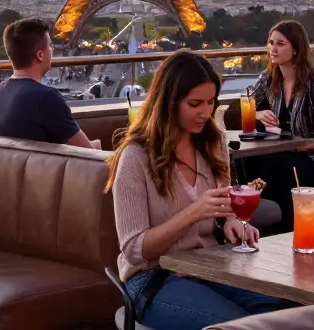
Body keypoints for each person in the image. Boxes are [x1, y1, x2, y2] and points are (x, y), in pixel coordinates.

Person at [107, 50, 290, 330]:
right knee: (238, 326)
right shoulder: (135, 157)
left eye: (210, 102)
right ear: (168, 102)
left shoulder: (214, 144)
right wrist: (192, 213)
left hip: (208, 267)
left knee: (287, 311)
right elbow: (134, 251)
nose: (205, 112)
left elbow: (224, 206)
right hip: (154, 277)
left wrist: (233, 221)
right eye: (194, 104)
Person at [247, 20, 314, 201]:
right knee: (247, 162)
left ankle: (281, 220)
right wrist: (257, 113)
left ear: (296, 49)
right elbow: (247, 102)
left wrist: (289, 146)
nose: (273, 49)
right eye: (271, 43)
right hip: (278, 155)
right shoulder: (268, 78)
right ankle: (256, 214)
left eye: (280, 44)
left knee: (275, 163)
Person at [0, 18, 100, 148]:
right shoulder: (46, 98)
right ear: (40, 55)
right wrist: (98, 144)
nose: (52, 50)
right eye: (50, 45)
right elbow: (88, 151)